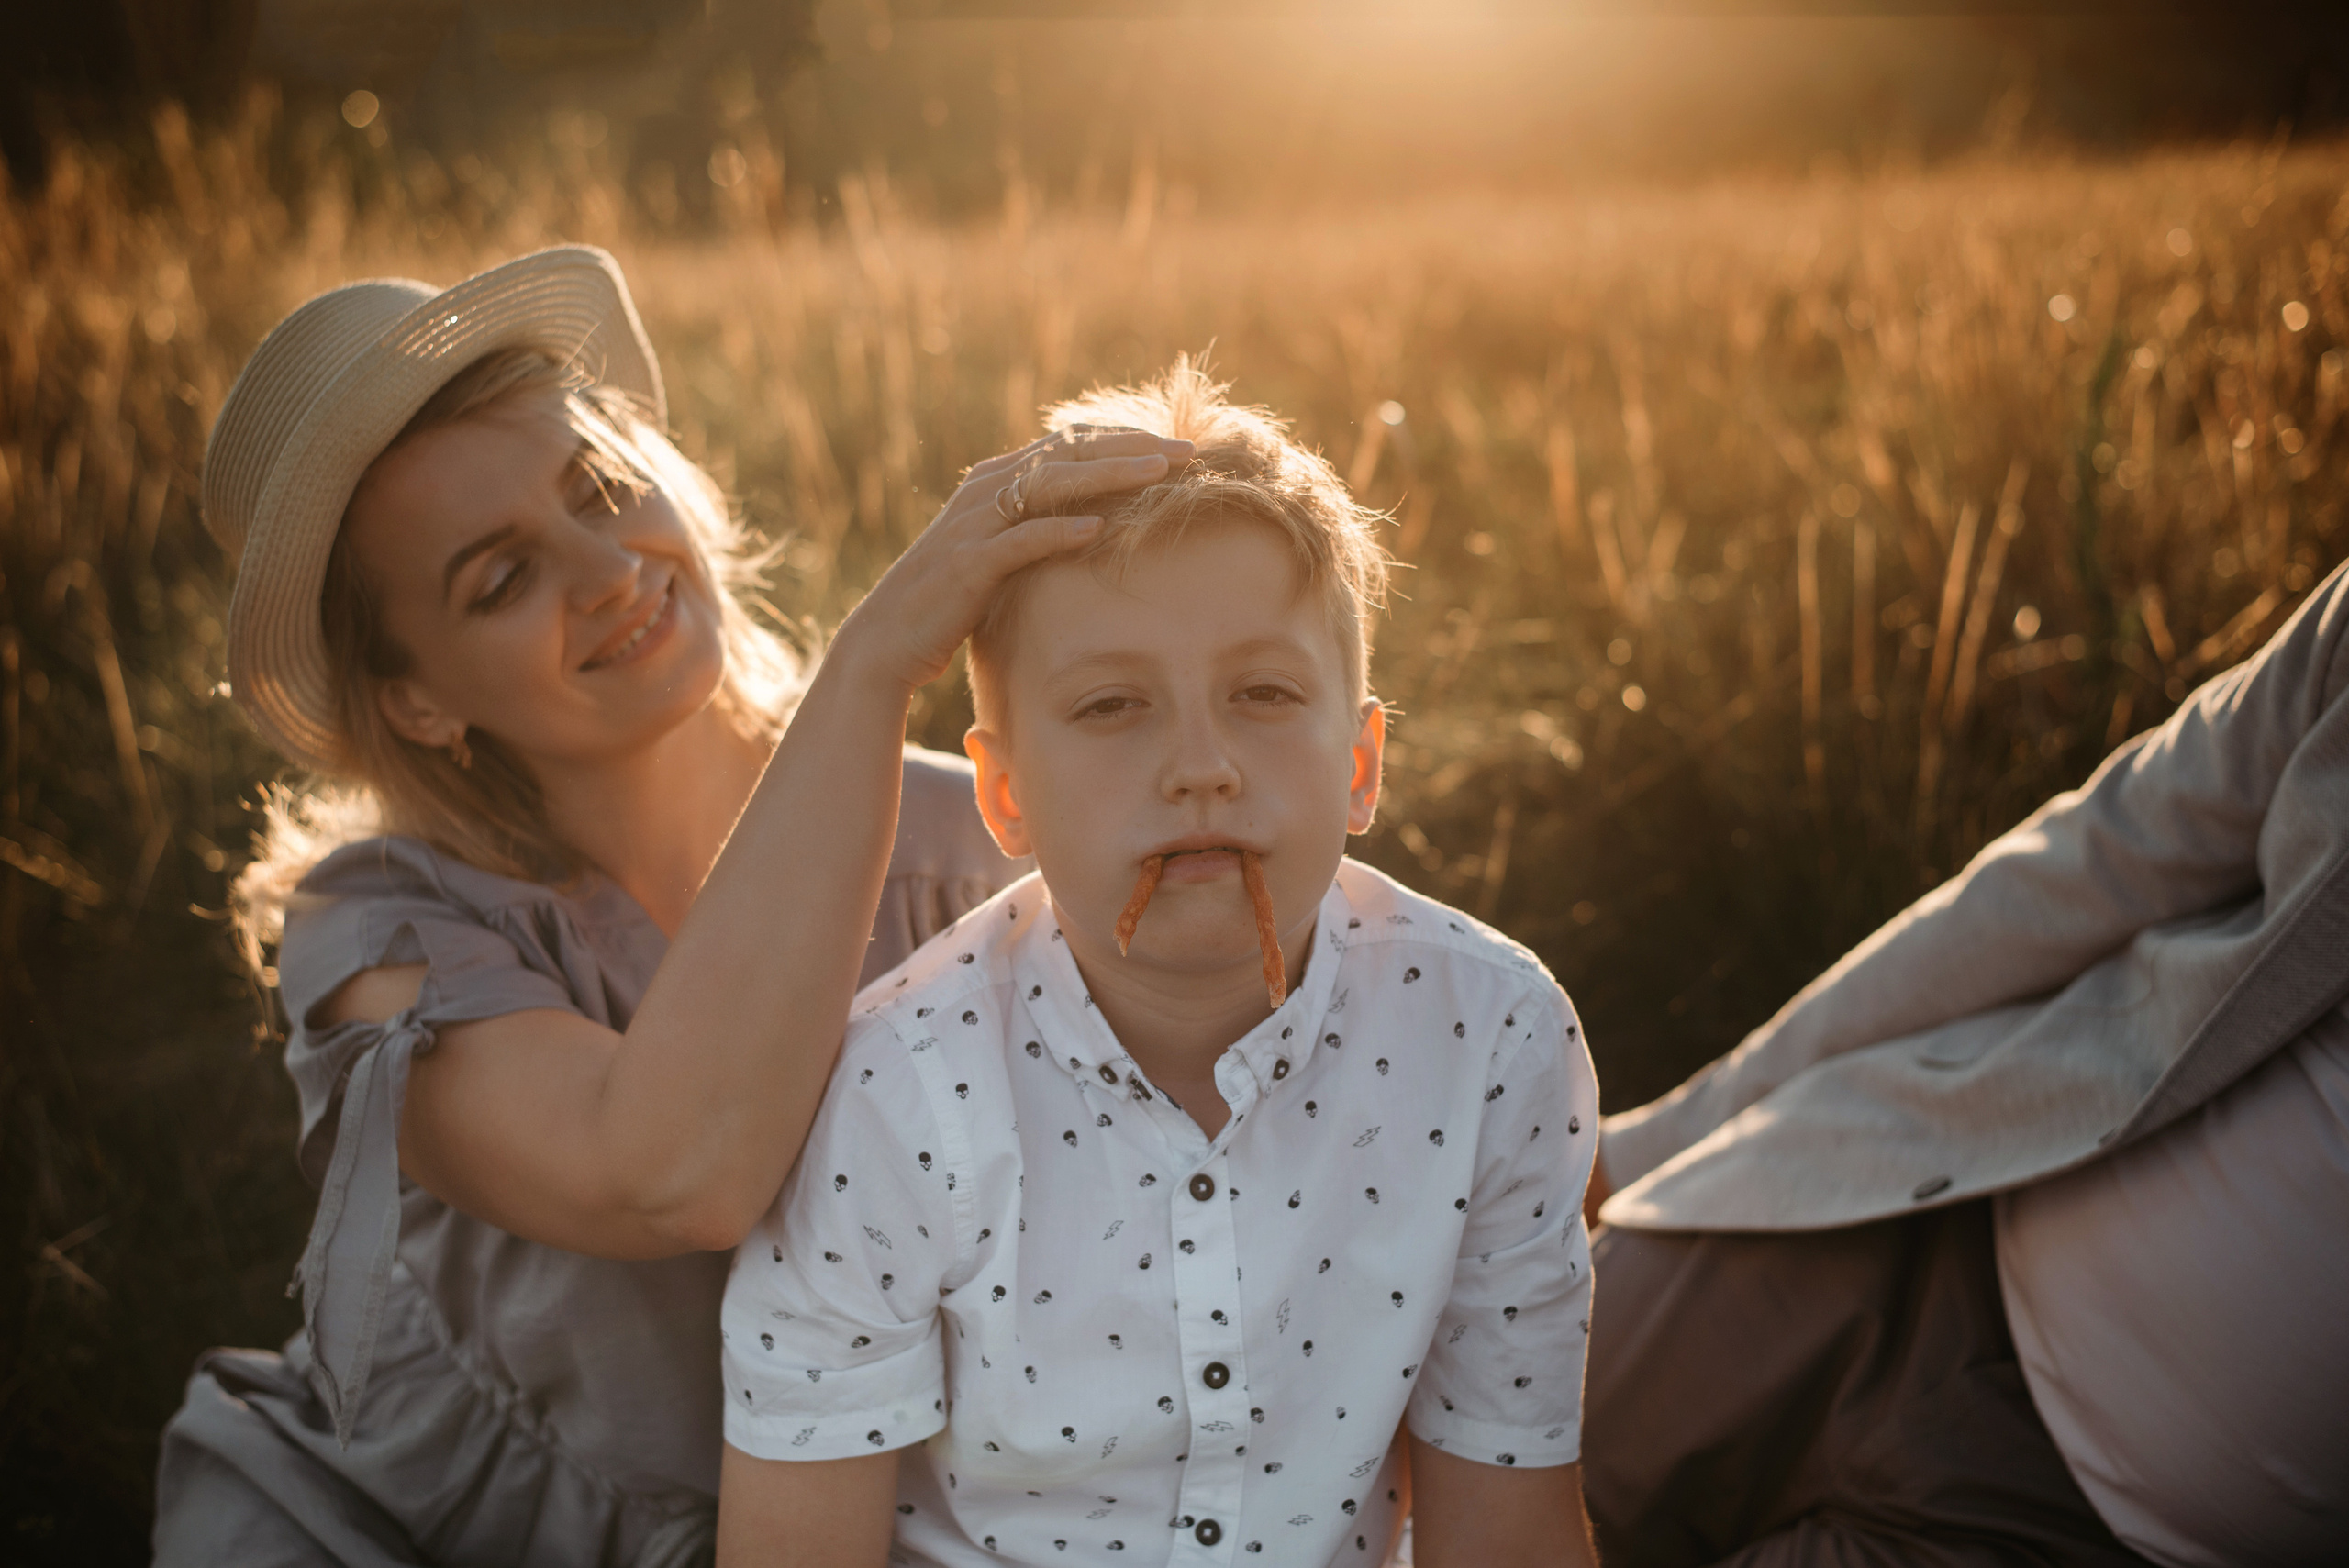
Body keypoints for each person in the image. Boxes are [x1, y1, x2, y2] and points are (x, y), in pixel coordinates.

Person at [152, 244, 1196, 1566]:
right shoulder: (381, 937)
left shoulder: (976, 847)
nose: (605, 568)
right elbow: (673, 1172)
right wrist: (872, 662)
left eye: (597, 486)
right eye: (500, 577)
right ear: (417, 698)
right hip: (435, 1521)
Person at [714, 362, 1604, 1568]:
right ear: (1003, 791)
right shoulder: (895, 1093)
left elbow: (1509, 1525)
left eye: (1264, 692)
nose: (1202, 764)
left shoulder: (1491, 1037)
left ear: (1360, 762)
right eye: (1113, 705)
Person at [1580, 560, 2349, 1566]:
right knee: (1370, 1502)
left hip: (2064, 1537)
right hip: (1867, 1217)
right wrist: (1652, 1148)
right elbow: (2090, 862)